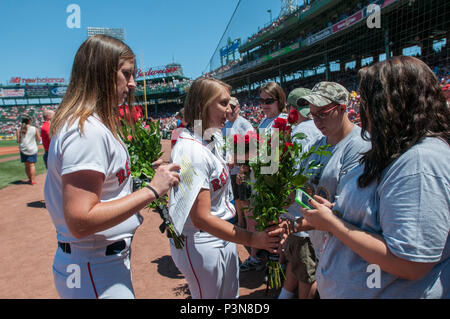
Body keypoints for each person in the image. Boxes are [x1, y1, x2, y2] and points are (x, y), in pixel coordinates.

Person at [299, 56, 449, 298]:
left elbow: (410, 263)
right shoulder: (399, 149)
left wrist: (333, 223)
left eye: (368, 101)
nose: (363, 110)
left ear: (391, 103)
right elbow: (380, 217)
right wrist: (338, 211)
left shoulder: (421, 160)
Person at [44, 35, 180, 299]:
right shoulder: (87, 131)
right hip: (94, 266)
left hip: (95, 263)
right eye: (126, 74)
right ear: (102, 73)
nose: (132, 84)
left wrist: (138, 182)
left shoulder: (91, 124)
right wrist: (152, 190)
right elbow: (81, 221)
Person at [169, 77, 285, 299]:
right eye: (223, 103)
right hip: (201, 241)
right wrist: (253, 240)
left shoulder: (210, 137)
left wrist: (279, 148)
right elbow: (201, 217)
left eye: (230, 103)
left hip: (222, 235)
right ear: (202, 105)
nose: (230, 109)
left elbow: (249, 156)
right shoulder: (190, 150)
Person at [278, 87, 324, 299]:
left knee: (308, 274)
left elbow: (293, 178)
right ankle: (286, 294)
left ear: (292, 109)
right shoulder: (321, 129)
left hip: (299, 216)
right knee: (299, 264)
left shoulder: (297, 133)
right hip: (317, 211)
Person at [239, 81, 289, 273]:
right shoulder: (264, 121)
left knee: (275, 226)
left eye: (269, 100)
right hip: (260, 181)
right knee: (261, 223)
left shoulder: (282, 120)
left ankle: (280, 265)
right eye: (261, 100)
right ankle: (266, 260)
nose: (263, 104)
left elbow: (276, 157)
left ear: (280, 100)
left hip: (273, 184)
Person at [222, 97, 255, 229]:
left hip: (242, 167)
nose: (231, 110)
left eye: (233, 107)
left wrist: (242, 166)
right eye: (228, 107)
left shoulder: (244, 124)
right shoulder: (226, 125)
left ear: (238, 107)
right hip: (231, 169)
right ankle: (240, 221)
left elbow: (252, 147)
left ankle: (247, 224)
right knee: (236, 197)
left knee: (244, 199)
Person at [16, 115, 41, 185]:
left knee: (26, 165)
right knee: (32, 165)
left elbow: (18, 140)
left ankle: (30, 179)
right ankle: (33, 180)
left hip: (23, 149)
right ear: (29, 121)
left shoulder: (19, 129)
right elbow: (39, 139)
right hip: (32, 148)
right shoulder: (34, 128)